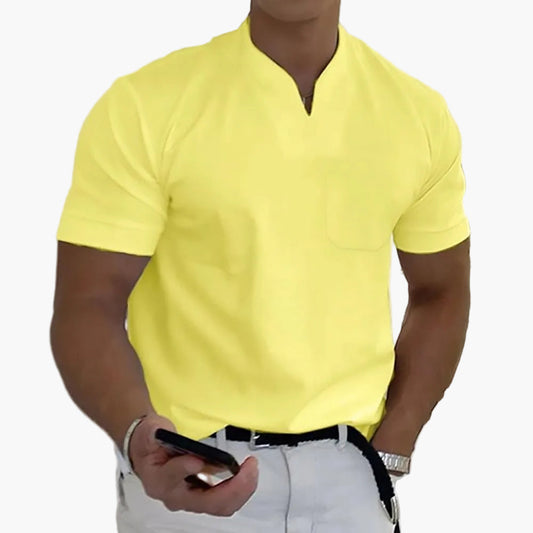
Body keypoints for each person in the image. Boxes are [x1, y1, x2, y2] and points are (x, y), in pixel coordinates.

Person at [50, 0, 471, 531]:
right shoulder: (145, 106)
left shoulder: (417, 115)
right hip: (192, 476)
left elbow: (440, 290)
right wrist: (139, 436)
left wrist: (393, 445)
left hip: (352, 483)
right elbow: (89, 303)